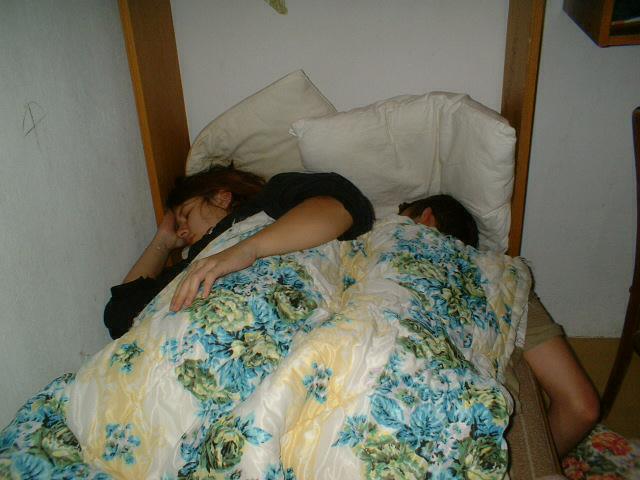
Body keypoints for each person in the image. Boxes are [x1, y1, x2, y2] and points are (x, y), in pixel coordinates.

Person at [398, 194, 600, 457]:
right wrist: (535, 465)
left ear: (426, 218)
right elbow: (581, 408)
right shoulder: (505, 283)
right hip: (469, 447)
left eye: (398, 221)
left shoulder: (372, 260)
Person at [104, 166, 374, 339]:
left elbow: (342, 208)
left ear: (221, 197)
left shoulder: (265, 203)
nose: (182, 231)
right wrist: (163, 242)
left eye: (186, 215)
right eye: (178, 226)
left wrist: (247, 249)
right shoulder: (191, 265)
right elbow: (120, 315)